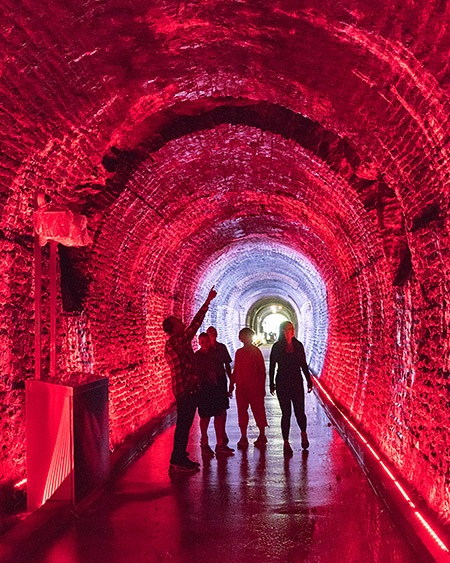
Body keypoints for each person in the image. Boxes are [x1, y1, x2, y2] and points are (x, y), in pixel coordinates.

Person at [162, 286, 217, 472]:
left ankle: (179, 454)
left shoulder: (176, 342)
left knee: (184, 424)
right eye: (178, 322)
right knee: (184, 425)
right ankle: (177, 460)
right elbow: (195, 325)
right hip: (185, 391)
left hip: (186, 389)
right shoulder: (177, 342)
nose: (182, 322)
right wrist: (207, 302)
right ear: (173, 329)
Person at [269, 321, 313, 456]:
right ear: (283, 330)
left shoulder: (298, 345)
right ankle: (286, 443)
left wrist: (309, 380)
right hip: (282, 382)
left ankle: (303, 433)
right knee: (286, 413)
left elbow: (303, 364)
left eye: (292, 328)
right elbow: (272, 366)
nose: (292, 331)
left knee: (300, 412)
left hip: (296, 382)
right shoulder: (277, 347)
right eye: (289, 329)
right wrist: (271, 383)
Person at [195, 333, 235, 457]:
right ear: (199, 342)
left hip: (217, 387)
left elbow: (224, 368)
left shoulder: (216, 353)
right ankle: (204, 442)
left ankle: (220, 444)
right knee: (205, 417)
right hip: (205, 389)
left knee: (219, 414)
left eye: (207, 340)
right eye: (203, 341)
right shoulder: (197, 357)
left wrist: (229, 383)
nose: (205, 343)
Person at [229, 327, 268, 448]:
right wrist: (231, 385)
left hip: (254, 387)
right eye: (243, 336)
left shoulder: (256, 352)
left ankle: (262, 435)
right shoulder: (239, 353)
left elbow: (262, 371)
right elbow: (236, 370)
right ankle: (244, 436)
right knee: (243, 412)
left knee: (258, 411)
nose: (245, 339)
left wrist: (262, 387)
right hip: (242, 387)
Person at [206, 326, 233, 447]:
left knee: (222, 408)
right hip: (209, 383)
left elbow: (227, 364)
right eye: (209, 332)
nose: (212, 334)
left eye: (213, 332)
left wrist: (231, 381)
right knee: (208, 410)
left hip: (221, 380)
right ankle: (205, 438)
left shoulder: (221, 347)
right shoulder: (205, 349)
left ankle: (222, 432)